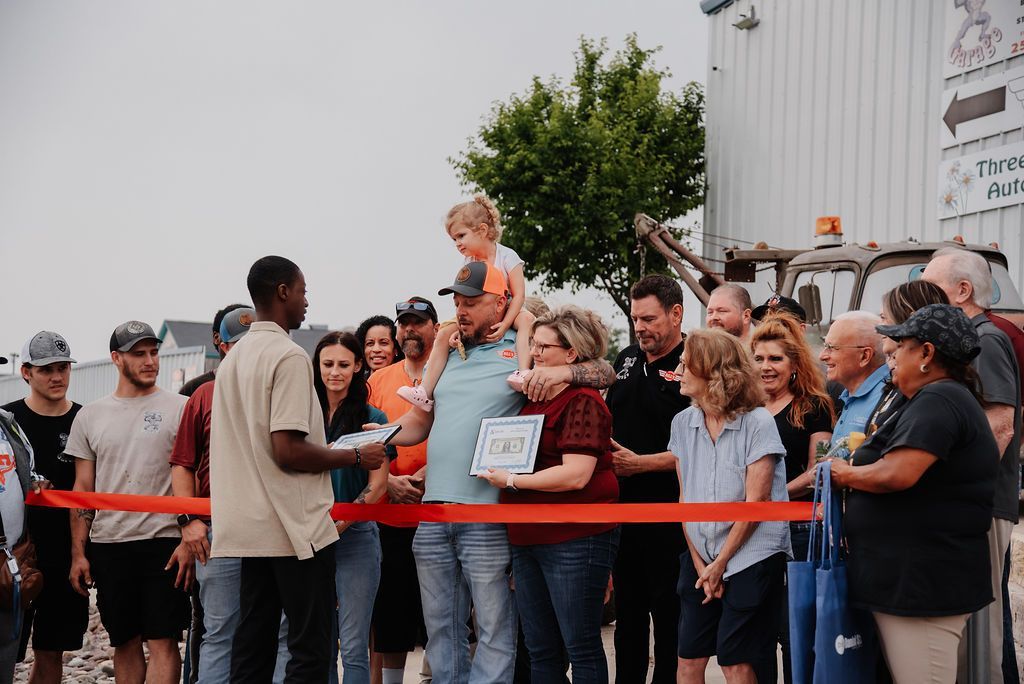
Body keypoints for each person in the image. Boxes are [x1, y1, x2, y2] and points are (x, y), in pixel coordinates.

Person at [384, 261, 615, 684]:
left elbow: (602, 370)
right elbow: (420, 423)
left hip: (488, 514)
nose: (461, 309)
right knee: (440, 630)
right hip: (434, 512)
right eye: (456, 300)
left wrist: (559, 366)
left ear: (502, 302)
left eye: (472, 301)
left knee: (494, 629)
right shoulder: (450, 350)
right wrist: (381, 436)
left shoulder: (528, 350)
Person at [208, 256, 387, 682]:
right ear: (283, 292)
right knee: (311, 649)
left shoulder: (233, 359)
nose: (307, 301)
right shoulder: (287, 357)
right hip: (293, 527)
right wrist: (356, 457)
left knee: (252, 644)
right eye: (303, 290)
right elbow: (287, 450)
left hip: (249, 528)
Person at [830, 303, 999, 683]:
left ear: (926, 353)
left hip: (923, 587)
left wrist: (844, 474)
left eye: (899, 347)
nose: (891, 358)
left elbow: (898, 473)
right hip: (908, 582)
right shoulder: (930, 399)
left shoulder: (941, 400)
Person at [479, 305, 619, 683]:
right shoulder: (533, 398)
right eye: (534, 345)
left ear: (571, 354)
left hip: (574, 537)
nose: (535, 353)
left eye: (544, 346)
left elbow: (576, 475)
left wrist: (512, 482)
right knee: (541, 650)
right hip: (528, 539)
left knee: (581, 646)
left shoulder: (583, 400)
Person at [65, 321, 193, 684]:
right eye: (139, 354)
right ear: (116, 359)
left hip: (165, 543)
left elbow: (191, 478)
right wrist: (78, 551)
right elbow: (82, 487)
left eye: (154, 352)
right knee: (124, 642)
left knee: (164, 641)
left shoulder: (181, 407)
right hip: (109, 543)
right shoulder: (90, 415)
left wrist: (188, 536)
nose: (150, 361)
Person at [670, 328, 791, 684]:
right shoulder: (682, 422)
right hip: (701, 556)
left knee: (735, 661)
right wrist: (701, 566)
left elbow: (756, 503)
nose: (678, 368)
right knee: (688, 659)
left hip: (750, 555)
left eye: (685, 362)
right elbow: (684, 500)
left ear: (712, 370)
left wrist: (720, 564)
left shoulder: (758, 423)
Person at [923, 248, 1021, 684]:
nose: (924, 301)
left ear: (962, 291)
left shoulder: (986, 339)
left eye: (932, 289)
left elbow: (1000, 425)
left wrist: (965, 493)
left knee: (982, 621)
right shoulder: (965, 341)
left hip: (980, 504)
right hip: (970, 503)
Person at [274, 331, 389, 683]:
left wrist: (341, 524)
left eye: (343, 364)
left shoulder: (373, 417)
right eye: (327, 364)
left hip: (354, 538)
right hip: (304, 535)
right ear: (316, 366)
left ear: (358, 366)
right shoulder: (298, 414)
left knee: (354, 644)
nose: (334, 372)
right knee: (313, 639)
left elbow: (379, 485)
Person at [603, 274, 689, 684]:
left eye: (650, 319)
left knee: (669, 615)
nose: (640, 328)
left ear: (676, 314)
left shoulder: (697, 362)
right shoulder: (625, 359)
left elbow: (709, 446)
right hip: (624, 513)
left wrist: (644, 464)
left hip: (673, 515)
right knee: (629, 615)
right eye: (636, 319)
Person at [168, 306, 252, 684]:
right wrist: (189, 522)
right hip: (219, 532)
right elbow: (182, 465)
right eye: (237, 346)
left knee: (275, 632)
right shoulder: (202, 394)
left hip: (275, 530)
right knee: (218, 632)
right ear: (222, 346)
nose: (245, 355)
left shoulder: (280, 390)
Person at [750, 313, 834, 684]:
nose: (766, 367)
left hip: (799, 529)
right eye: (759, 358)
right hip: (749, 531)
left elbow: (821, 470)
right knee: (756, 632)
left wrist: (773, 496)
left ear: (795, 365)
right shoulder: (744, 409)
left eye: (775, 359)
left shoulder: (814, 406)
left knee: (794, 632)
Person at [1, 332, 86, 684]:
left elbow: (89, 491)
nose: (57, 376)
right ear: (25, 373)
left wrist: (81, 552)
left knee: (52, 650)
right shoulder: (9, 422)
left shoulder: (85, 419)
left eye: (63, 367)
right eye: (46, 369)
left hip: (64, 551)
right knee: (8, 646)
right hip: (16, 552)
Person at [398, 195, 534, 410]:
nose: (458, 243)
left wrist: (506, 323)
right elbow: (463, 300)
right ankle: (424, 390)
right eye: (454, 239)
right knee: (443, 333)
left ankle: (524, 371)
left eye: (461, 236)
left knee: (527, 321)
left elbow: (518, 295)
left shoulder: (508, 256)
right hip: (478, 315)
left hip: (509, 307)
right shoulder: (468, 261)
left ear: (482, 230)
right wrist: (459, 330)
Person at [367, 297, 437, 684]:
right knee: (392, 609)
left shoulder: (447, 372)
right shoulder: (378, 380)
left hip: (437, 509)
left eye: (418, 323)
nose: (410, 330)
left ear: (435, 329)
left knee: (441, 610)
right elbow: (364, 439)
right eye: (404, 324)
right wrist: (388, 481)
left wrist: (430, 472)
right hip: (390, 511)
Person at [0, 400, 44, 684]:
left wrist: (37, 482)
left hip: (12, 556)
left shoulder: (6, 423)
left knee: (5, 651)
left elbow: (25, 473)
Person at [819, 311, 889, 443]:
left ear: (864, 356)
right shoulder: (850, 393)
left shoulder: (888, 398)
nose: (822, 356)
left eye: (832, 347)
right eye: (825, 346)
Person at [179, 304, 249, 397]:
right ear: (217, 338)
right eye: (237, 341)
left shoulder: (265, 383)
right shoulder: (193, 389)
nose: (247, 346)